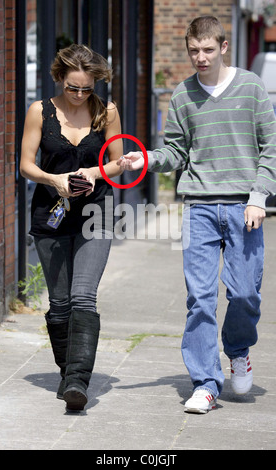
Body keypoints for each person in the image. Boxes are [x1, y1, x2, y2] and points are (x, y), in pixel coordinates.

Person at [118, 16, 276, 413]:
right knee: (200, 298)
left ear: (224, 47)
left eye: (208, 50)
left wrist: (259, 196)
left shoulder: (252, 88)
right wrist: (147, 159)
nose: (200, 58)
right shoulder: (184, 95)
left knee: (244, 293)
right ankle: (206, 382)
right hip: (199, 206)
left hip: (244, 206)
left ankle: (238, 351)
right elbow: (175, 151)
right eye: (194, 50)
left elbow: (270, 147)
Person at [20, 44, 123, 412]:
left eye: (87, 88)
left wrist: (93, 173)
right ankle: (68, 372)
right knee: (60, 303)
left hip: (96, 209)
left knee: (83, 296)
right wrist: (54, 178)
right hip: (52, 210)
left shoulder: (105, 111)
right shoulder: (40, 112)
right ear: (59, 78)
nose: (80, 95)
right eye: (73, 88)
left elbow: (117, 163)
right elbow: (26, 165)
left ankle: (79, 381)